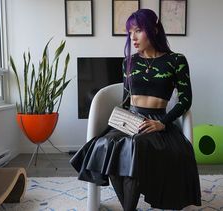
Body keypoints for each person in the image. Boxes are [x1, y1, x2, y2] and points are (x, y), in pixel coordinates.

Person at [70, 9, 201, 211]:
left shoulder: (176, 61)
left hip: (157, 123)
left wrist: (163, 123)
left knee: (135, 147)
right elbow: (126, 98)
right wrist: (115, 121)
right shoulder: (129, 62)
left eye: (138, 30)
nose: (132, 37)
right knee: (107, 145)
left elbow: (186, 99)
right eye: (130, 32)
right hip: (130, 119)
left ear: (154, 29)